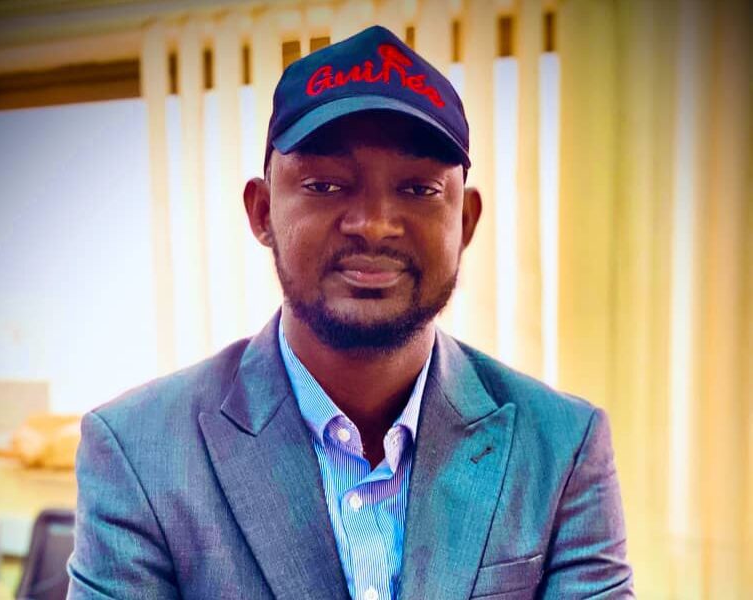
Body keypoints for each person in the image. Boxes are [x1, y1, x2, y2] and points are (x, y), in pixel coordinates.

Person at [68, 25, 633, 599]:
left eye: (419, 189)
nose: (374, 224)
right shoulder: (140, 452)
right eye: (325, 184)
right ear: (262, 212)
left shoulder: (560, 447)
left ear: (464, 222)